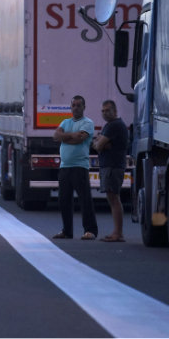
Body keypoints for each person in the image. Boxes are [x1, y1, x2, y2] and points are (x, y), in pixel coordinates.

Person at [52, 95, 98, 240]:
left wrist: (64, 137)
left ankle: (90, 230)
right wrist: (71, 136)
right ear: (70, 107)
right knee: (64, 200)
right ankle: (67, 231)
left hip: (80, 166)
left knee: (85, 200)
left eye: (79, 105)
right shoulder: (65, 122)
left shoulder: (88, 123)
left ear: (84, 107)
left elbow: (79, 139)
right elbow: (56, 136)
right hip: (64, 167)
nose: (76, 108)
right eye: (74, 105)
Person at [92, 99, 128, 242]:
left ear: (115, 111)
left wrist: (100, 142)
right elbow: (100, 144)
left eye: (108, 110)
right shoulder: (113, 125)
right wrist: (101, 143)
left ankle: (118, 233)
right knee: (113, 198)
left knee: (114, 199)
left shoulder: (114, 125)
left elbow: (97, 145)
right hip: (112, 165)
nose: (105, 113)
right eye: (103, 111)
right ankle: (117, 232)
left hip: (113, 166)